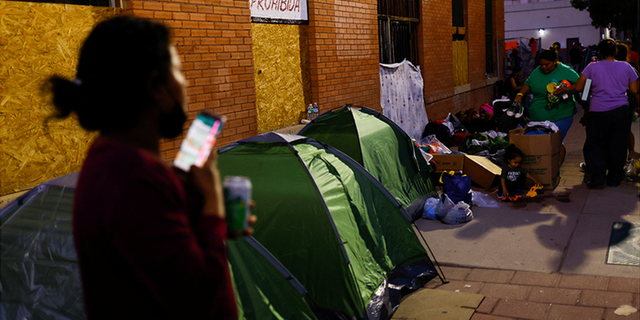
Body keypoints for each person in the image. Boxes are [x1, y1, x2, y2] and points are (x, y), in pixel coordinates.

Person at [47, 16, 251, 319]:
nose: (186, 83)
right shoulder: (134, 179)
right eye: (179, 72)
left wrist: (199, 217)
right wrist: (212, 206)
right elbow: (205, 302)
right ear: (156, 85)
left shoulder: (111, 161)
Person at [555, 38, 639, 189]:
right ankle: (614, 178)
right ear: (616, 51)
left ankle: (598, 177)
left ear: (599, 52)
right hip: (620, 111)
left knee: (594, 144)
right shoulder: (626, 67)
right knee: (618, 145)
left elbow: (579, 87)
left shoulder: (592, 67)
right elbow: (634, 90)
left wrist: (564, 90)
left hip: (598, 111)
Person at [513, 49, 580, 164]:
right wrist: (520, 94)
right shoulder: (537, 71)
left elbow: (580, 85)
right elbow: (528, 84)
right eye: (541, 64)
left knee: (556, 142)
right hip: (538, 117)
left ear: (555, 61)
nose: (543, 67)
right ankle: (545, 169)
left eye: (547, 64)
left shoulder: (567, 71)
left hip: (560, 115)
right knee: (540, 143)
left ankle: (555, 170)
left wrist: (566, 89)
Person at [615, 41, 640, 159]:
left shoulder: (607, 66)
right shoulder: (630, 66)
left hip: (613, 102)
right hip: (627, 101)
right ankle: (630, 152)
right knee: (626, 129)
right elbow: (636, 89)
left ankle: (618, 155)